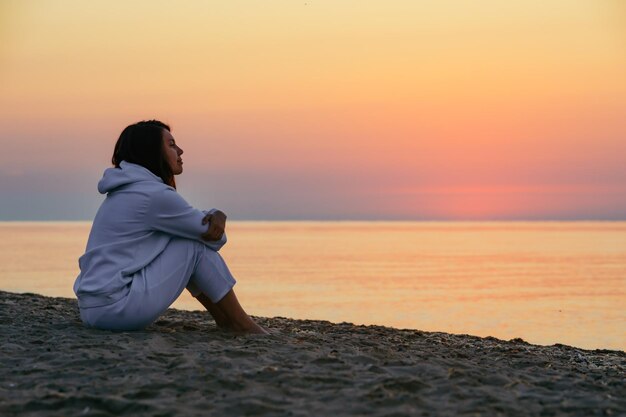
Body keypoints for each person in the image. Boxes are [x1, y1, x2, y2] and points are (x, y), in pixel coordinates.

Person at [73, 120, 267, 334]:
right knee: (191, 246)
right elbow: (214, 237)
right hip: (116, 310)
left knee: (187, 242)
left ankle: (226, 320)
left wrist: (206, 219)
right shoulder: (153, 195)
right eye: (172, 145)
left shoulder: (127, 191)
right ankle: (240, 323)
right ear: (152, 151)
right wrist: (216, 214)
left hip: (94, 309)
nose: (180, 150)